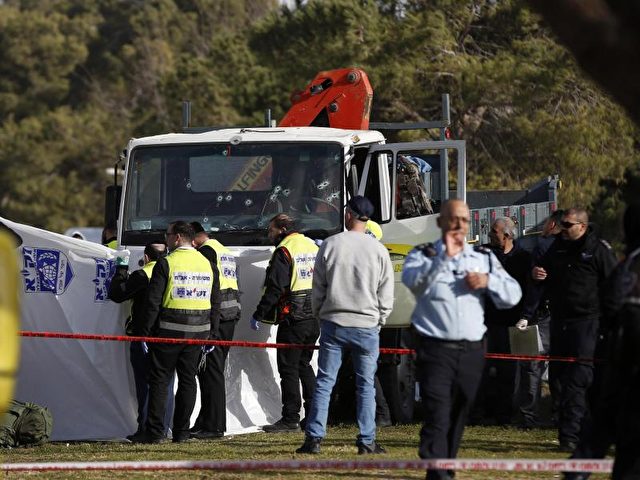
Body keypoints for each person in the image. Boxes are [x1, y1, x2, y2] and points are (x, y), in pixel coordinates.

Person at [402, 199, 522, 480]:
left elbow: (513, 295)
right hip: (435, 348)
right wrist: (444, 260)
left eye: (464, 220)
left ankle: (444, 464)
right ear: (440, 222)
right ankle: (438, 469)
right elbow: (413, 282)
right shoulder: (425, 254)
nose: (459, 225)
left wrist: (488, 281)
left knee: (458, 411)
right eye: (453, 219)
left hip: (471, 350)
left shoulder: (483, 257)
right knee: (438, 410)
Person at [296, 195, 394, 455]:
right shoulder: (378, 250)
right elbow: (386, 291)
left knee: (325, 382)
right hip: (367, 324)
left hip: (334, 322)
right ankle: (367, 440)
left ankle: (314, 438)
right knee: (366, 385)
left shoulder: (330, 245)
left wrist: (320, 313)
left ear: (349, 214)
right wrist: (380, 318)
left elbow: (318, 287)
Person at [532, 207, 616, 452]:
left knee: (578, 380)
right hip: (560, 322)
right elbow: (541, 273)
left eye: (567, 225)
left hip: (588, 323)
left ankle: (573, 434)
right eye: (561, 224)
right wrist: (536, 274)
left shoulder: (598, 249)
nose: (562, 229)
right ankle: (568, 428)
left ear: (582, 226)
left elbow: (614, 285)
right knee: (558, 378)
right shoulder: (556, 247)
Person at [136, 221, 221, 443]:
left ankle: (155, 433)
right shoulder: (207, 263)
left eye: (167, 234)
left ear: (177, 237)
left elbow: (152, 302)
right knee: (188, 380)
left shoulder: (166, 263)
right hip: (199, 333)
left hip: (168, 332)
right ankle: (181, 432)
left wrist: (144, 333)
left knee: (160, 381)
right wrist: (213, 332)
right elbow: (215, 300)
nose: (166, 238)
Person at [251, 213, 320, 433]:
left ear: (281, 229)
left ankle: (290, 418)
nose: (269, 235)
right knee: (304, 366)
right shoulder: (312, 246)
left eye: (271, 230)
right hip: (314, 316)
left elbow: (276, 287)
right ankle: (313, 415)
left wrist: (260, 314)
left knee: (289, 369)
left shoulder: (285, 250)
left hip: (293, 317)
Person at [108, 242, 174, 441]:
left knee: (145, 384)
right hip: (170, 334)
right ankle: (163, 427)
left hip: (144, 335)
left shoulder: (143, 274)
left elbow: (117, 294)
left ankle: (146, 428)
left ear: (146, 257)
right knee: (166, 384)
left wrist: (121, 269)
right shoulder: (173, 270)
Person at [473, 217, 531, 426]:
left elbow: (528, 288)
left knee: (508, 372)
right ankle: (478, 414)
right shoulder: (485, 253)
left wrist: (526, 316)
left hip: (510, 323)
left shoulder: (523, 258)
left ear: (506, 235)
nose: (490, 235)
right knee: (482, 369)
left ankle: (504, 415)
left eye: (494, 232)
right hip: (487, 321)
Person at [189, 222, 241, 439]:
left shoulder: (207, 252)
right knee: (209, 370)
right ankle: (205, 421)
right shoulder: (223, 250)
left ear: (196, 238)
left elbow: (209, 286)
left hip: (217, 319)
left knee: (211, 372)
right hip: (229, 316)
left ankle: (214, 426)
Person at [517, 209, 564, 429]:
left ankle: (529, 415)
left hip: (543, 313)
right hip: (568, 315)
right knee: (561, 367)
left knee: (534, 365)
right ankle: (560, 413)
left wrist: (526, 315)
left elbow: (535, 287)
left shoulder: (543, 246)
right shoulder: (577, 248)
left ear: (552, 224)